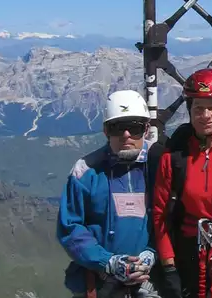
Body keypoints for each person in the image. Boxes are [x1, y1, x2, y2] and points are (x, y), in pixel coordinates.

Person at [152, 68, 212, 298]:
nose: (205, 115)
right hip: (187, 255)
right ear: (189, 111)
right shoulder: (174, 158)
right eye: (198, 108)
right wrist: (169, 267)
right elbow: (160, 214)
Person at [57, 90, 163, 298]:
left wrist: (153, 253)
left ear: (146, 129)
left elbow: (174, 218)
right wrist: (108, 262)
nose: (126, 136)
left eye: (134, 128)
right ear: (106, 131)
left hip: (152, 282)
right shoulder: (85, 171)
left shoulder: (161, 164)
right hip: (98, 282)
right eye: (117, 128)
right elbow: (70, 227)